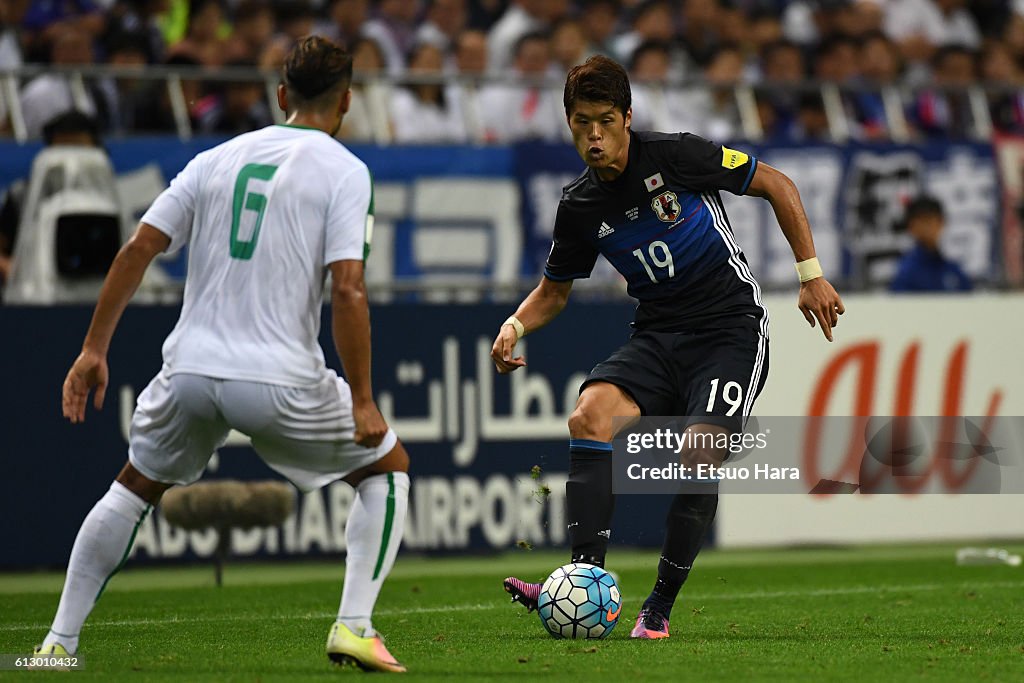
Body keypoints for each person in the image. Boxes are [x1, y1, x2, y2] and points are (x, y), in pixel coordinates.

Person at [34, 36, 410, 673]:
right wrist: (364, 399)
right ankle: (354, 626)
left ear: (282, 95)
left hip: (191, 371)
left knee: (134, 486)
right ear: (346, 101)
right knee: (386, 468)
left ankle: (56, 647)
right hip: (278, 377)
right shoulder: (346, 170)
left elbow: (136, 249)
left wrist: (94, 348)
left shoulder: (216, 156)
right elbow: (347, 287)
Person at [494, 55, 843, 640]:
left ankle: (657, 608)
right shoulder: (579, 205)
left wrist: (810, 274)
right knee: (589, 416)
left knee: (699, 452)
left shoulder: (677, 156)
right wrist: (515, 324)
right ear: (569, 123)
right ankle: (585, 581)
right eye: (582, 123)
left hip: (730, 328)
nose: (595, 136)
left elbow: (777, 184)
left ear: (628, 117)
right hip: (657, 335)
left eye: (606, 120)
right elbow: (553, 294)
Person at [890, 195, 972, 292]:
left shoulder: (954, 271)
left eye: (931, 220)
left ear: (942, 223)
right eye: (922, 221)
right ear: (911, 227)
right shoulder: (906, 271)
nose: (927, 227)